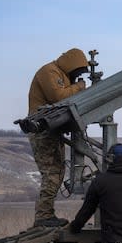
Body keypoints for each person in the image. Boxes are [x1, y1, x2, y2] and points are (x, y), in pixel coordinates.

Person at [28, 48, 89, 227]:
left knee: (58, 172)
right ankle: (43, 217)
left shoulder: (59, 74)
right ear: (70, 65)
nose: (76, 76)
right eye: (76, 72)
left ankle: (46, 214)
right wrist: (79, 87)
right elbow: (58, 97)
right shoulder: (49, 71)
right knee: (52, 174)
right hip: (42, 131)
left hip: (51, 130)